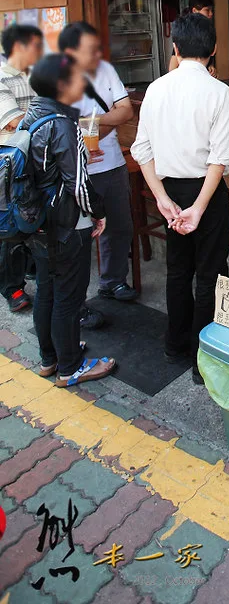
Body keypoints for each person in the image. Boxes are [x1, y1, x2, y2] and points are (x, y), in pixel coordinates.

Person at [131, 12, 229, 385]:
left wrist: (160, 198)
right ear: (214, 49)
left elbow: (141, 150)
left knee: (178, 271)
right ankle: (202, 360)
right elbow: (219, 159)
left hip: (171, 192)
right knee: (209, 275)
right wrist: (200, 208)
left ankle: (174, 346)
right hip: (206, 194)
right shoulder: (219, 92)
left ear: (174, 48)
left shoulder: (156, 89)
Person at [22, 54, 115, 387]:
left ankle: (50, 358)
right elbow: (79, 186)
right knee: (69, 296)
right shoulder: (64, 125)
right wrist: (99, 214)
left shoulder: (30, 117)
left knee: (46, 290)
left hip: (35, 221)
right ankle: (71, 367)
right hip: (66, 224)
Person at [59, 22, 137, 302]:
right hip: (75, 170)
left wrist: (91, 127)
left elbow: (126, 110)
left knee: (120, 226)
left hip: (112, 163)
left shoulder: (106, 70)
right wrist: (87, 138)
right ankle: (75, 302)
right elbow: (59, 126)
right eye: (88, 49)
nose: (95, 54)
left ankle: (112, 281)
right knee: (78, 235)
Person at [0, 24, 44, 313]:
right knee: (9, 226)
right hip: (9, 166)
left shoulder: (32, 75)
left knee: (32, 216)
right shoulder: (1, 77)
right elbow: (14, 121)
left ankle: (30, 267)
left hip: (33, 160)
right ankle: (11, 287)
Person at [168, 0, 216, 76]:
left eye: (211, 10)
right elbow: (172, 69)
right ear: (194, 10)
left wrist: (210, 68)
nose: (211, 14)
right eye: (207, 10)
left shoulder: (207, 33)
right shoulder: (185, 34)